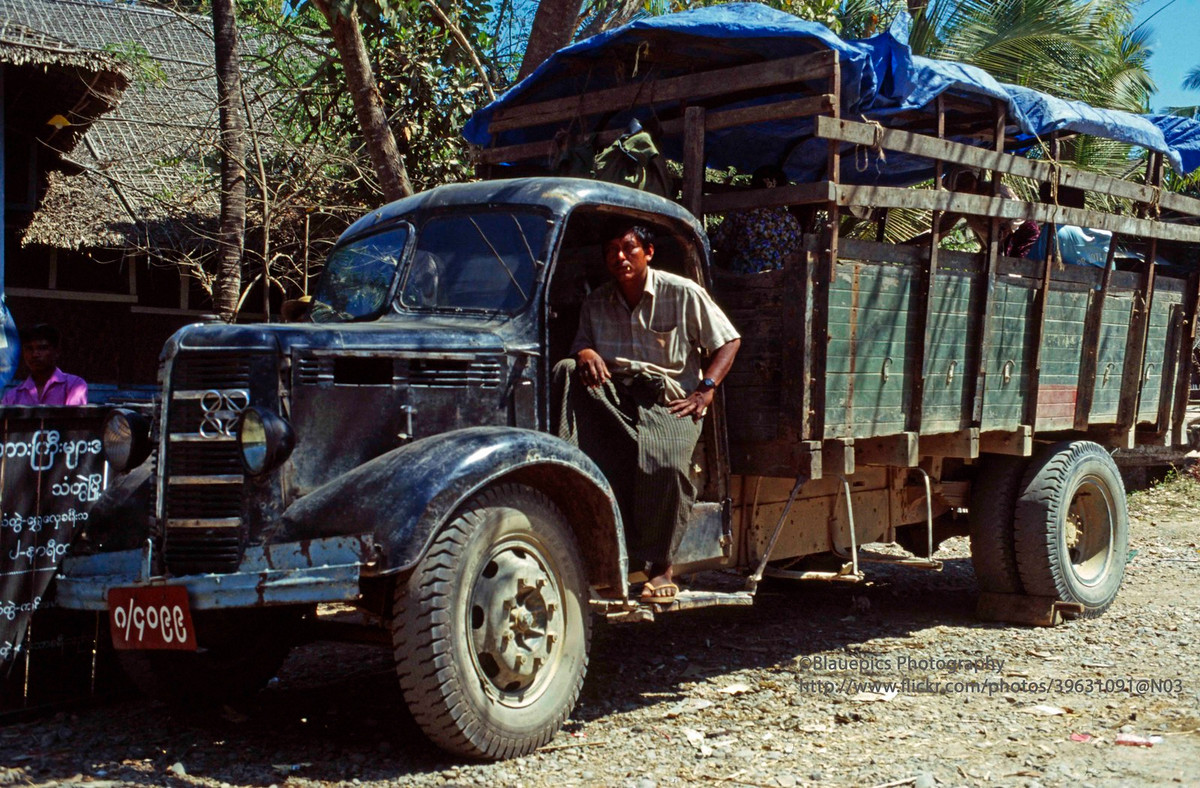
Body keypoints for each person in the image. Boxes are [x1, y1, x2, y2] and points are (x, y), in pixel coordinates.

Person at [553, 225, 741, 604]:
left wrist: (706, 389)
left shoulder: (682, 292)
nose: (620, 257)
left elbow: (729, 340)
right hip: (616, 396)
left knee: (667, 466)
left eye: (629, 248)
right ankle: (590, 542)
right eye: (611, 251)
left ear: (648, 252)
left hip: (668, 399)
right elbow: (581, 345)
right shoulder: (597, 302)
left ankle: (661, 566)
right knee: (567, 370)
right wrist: (585, 352)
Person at [710, 165, 803, 273]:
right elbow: (796, 250)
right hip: (782, 279)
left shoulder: (741, 214)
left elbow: (720, 244)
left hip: (743, 279)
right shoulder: (791, 221)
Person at [2, 324, 88, 406]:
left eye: (42, 348)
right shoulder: (12, 396)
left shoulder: (73, 386)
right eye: (29, 349)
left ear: (57, 351)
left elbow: (73, 420)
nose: (35, 354)